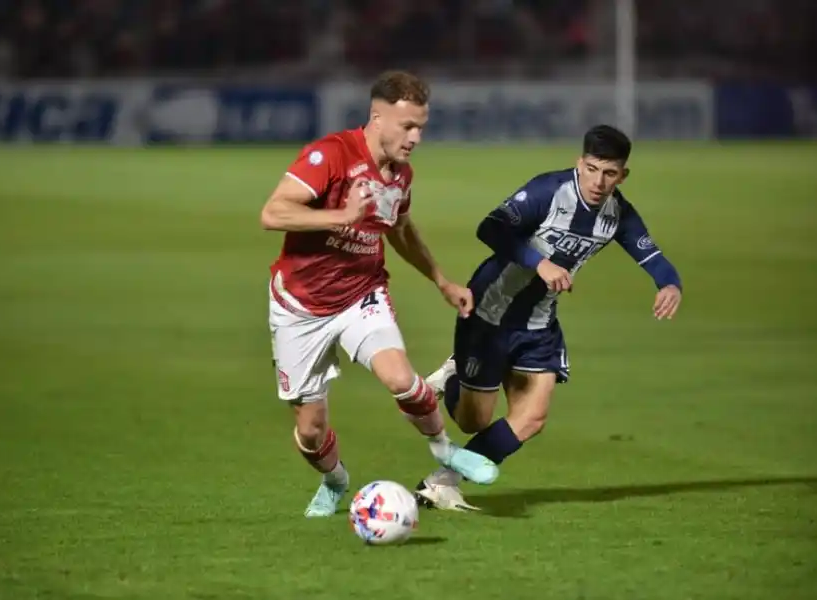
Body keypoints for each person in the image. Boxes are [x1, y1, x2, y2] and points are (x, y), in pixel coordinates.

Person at [260, 70, 499, 518]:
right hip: (300, 306)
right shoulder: (330, 154)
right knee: (311, 431)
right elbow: (273, 212)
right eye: (407, 127)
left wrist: (441, 280)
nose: (416, 138)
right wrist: (340, 216)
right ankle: (335, 480)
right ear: (377, 117)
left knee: (400, 379)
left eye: (421, 128)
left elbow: (401, 230)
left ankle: (444, 450)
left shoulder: (400, 175)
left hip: (361, 294)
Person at [414, 124, 683, 511]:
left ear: (622, 175)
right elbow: (490, 228)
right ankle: (457, 372)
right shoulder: (549, 190)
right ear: (580, 163)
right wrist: (539, 264)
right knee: (473, 421)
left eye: (609, 173)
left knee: (533, 417)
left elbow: (654, 258)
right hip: (490, 310)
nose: (599, 181)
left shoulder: (618, 213)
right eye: (592, 169)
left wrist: (669, 285)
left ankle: (442, 482)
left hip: (538, 323)